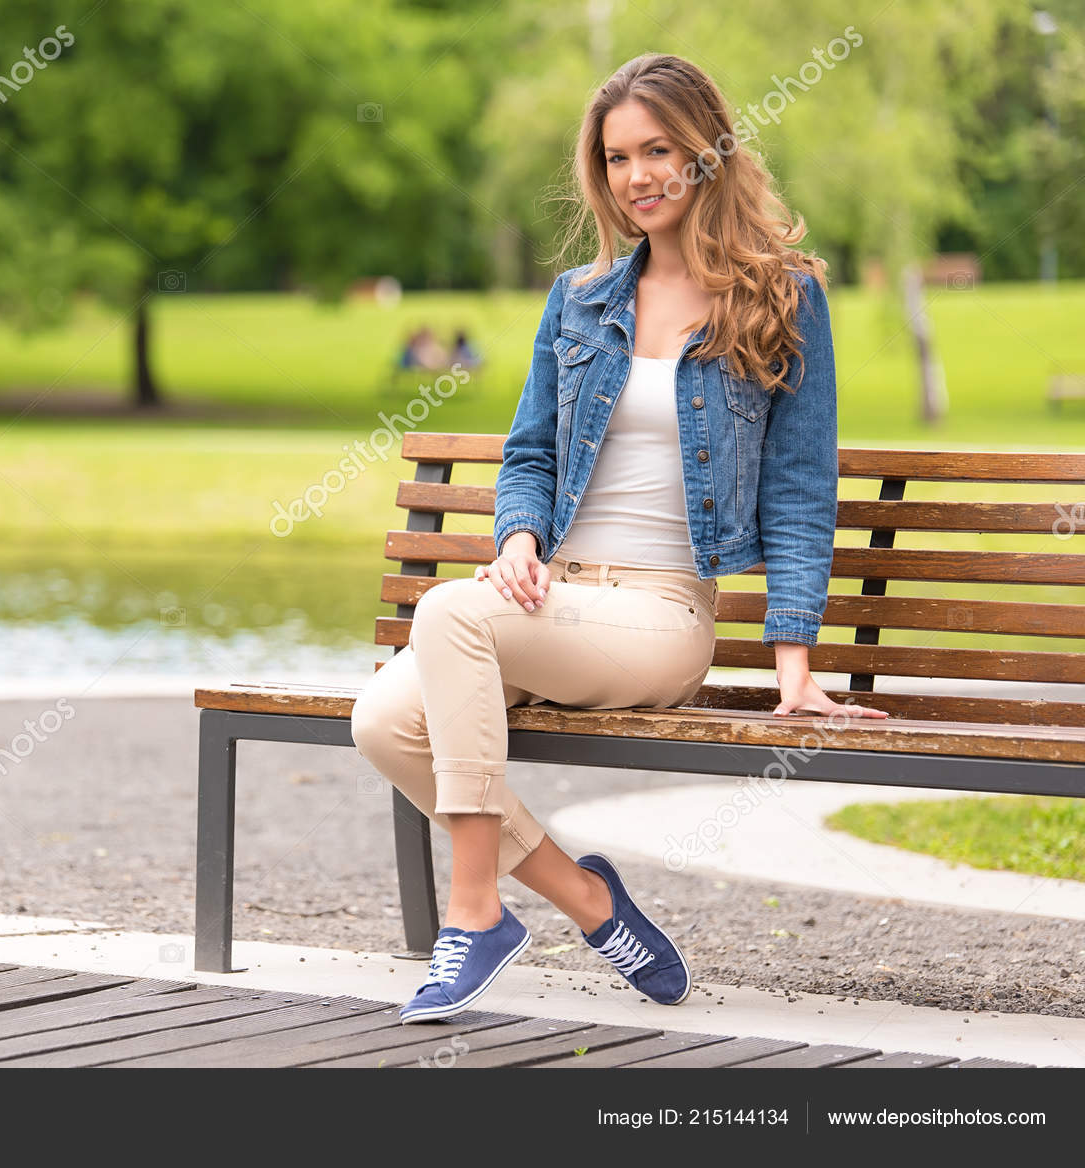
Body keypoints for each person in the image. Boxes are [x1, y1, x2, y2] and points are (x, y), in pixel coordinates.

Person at [350, 53, 890, 1025]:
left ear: (707, 150)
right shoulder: (581, 300)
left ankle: (473, 913)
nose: (636, 175)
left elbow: (804, 491)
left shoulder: (780, 297)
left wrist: (794, 662)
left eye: (657, 150)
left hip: (658, 614)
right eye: (615, 158)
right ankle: (586, 899)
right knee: (382, 723)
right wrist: (517, 537)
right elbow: (527, 455)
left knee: (447, 616)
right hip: (549, 595)